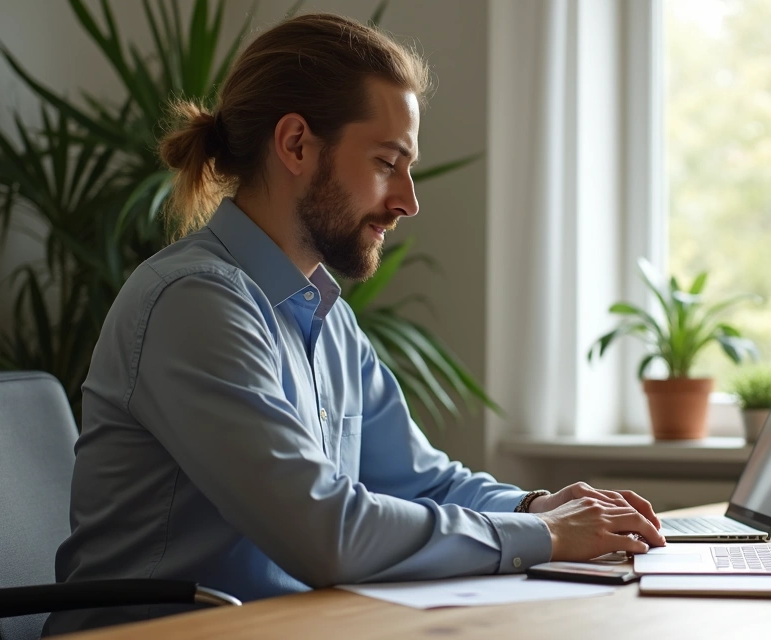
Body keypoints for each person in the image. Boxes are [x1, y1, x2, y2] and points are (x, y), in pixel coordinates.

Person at [44, 12, 664, 635]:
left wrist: (535, 506)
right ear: (295, 145)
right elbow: (326, 534)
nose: (408, 200)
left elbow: (420, 480)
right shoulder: (194, 303)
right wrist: (544, 535)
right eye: (386, 162)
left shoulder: (324, 315)